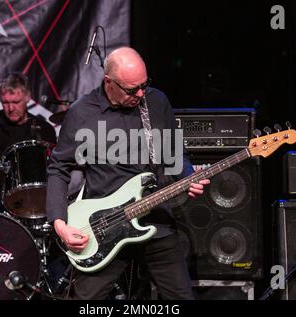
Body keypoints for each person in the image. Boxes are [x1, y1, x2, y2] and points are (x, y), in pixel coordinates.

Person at [46, 47, 210, 300]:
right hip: (105, 226)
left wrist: (187, 177)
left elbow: (176, 153)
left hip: (156, 219)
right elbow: (59, 169)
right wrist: (60, 224)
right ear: (108, 82)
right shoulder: (82, 113)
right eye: (132, 89)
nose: (141, 94)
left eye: (145, 85)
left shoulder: (156, 102)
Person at [0, 72, 56, 212]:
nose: (11, 108)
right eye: (5, 103)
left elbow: (52, 172)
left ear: (27, 97)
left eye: (16, 102)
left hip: (32, 202)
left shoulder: (43, 129)